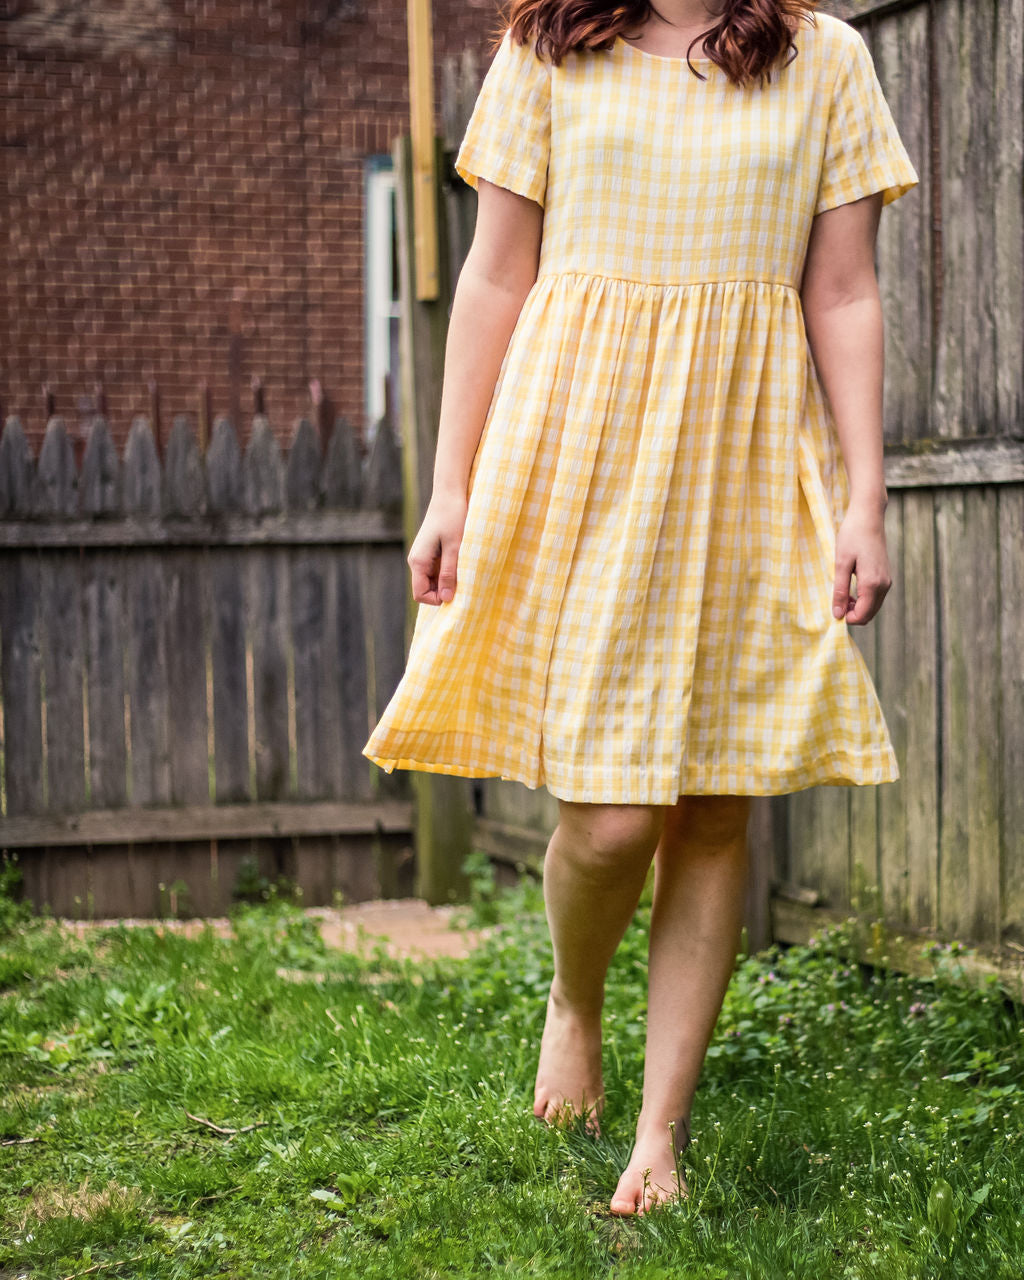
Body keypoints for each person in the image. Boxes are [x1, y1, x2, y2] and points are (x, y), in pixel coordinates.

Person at [363, 0, 918, 1215]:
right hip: (582, 449)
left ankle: (659, 1131)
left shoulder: (826, 57)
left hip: (746, 453)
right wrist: (451, 483)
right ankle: (575, 996)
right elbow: (496, 273)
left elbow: (842, 291)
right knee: (612, 820)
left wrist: (864, 499)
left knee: (712, 801)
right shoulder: (546, 47)